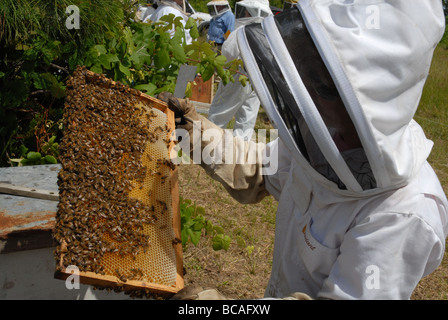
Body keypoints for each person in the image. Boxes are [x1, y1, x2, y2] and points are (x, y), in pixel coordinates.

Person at [163, 0, 448, 300]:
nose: (308, 98)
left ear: (371, 101)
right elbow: (259, 167)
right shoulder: (320, 139)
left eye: (323, 87)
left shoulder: (404, 214)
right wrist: (194, 133)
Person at [207, 0, 272, 141]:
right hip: (258, 80)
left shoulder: (240, 32)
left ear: (249, 10)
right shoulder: (267, 33)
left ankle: (208, 147)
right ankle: (239, 153)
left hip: (237, 77)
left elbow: (227, 54)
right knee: (247, 118)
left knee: (219, 113)